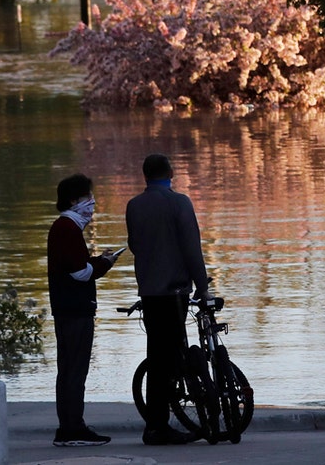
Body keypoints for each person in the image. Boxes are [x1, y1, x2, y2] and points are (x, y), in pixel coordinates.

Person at [125, 154, 209, 446]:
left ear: (145, 176)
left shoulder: (134, 206)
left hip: (149, 293)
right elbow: (192, 248)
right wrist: (203, 287)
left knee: (157, 356)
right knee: (168, 358)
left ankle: (157, 421)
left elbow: (135, 245)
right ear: (170, 172)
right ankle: (158, 427)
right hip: (174, 293)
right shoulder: (180, 203)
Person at [47, 173, 118, 447]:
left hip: (66, 309)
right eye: (88, 197)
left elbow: (74, 265)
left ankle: (68, 426)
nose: (92, 202)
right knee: (75, 371)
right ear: (74, 200)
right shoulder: (67, 228)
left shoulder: (64, 228)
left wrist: (98, 261)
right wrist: (105, 264)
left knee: (67, 370)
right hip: (75, 310)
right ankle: (73, 427)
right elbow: (79, 273)